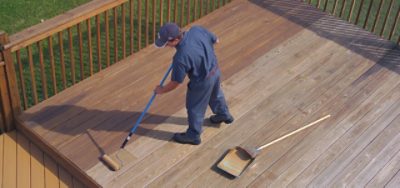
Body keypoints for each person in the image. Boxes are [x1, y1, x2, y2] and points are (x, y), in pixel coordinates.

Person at [154, 22, 234, 145]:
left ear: (175, 39)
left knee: (195, 107)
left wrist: (161, 90)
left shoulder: (180, 58)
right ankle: (223, 114)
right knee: (216, 94)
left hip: (201, 82)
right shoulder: (196, 30)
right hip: (215, 70)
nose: (166, 46)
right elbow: (216, 40)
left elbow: (176, 82)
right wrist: (201, 51)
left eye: (167, 43)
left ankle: (193, 135)